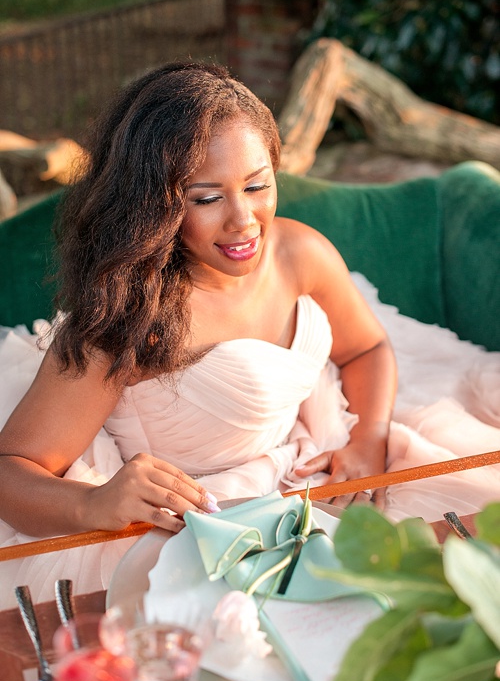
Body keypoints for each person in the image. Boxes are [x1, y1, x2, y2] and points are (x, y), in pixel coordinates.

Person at [0, 62, 498, 607]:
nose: (244, 221)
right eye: (207, 198)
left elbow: (369, 347)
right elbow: (11, 473)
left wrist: (369, 437)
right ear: (152, 205)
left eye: (258, 185)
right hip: (193, 531)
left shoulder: (296, 252)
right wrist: (92, 506)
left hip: (316, 474)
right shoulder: (121, 321)